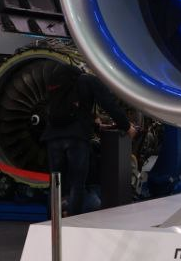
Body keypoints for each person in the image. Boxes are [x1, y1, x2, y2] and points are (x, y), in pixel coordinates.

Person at [42, 64, 135, 217]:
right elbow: (109, 104)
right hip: (77, 138)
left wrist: (94, 123)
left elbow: (63, 109)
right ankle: (73, 221)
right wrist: (126, 126)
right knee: (77, 184)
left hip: (52, 137)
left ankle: (51, 222)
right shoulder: (88, 80)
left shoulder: (59, 83)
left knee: (56, 183)